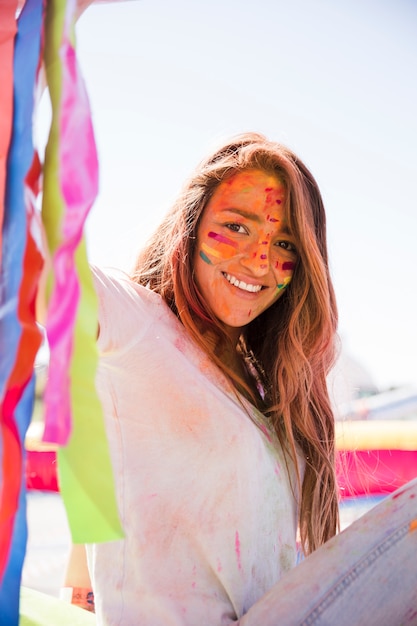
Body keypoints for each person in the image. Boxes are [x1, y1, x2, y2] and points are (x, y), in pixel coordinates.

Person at [63, 132, 417, 625]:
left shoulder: (260, 384)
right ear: (192, 223)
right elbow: (37, 267)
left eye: (285, 243)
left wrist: (79, 588)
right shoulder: (134, 321)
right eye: (237, 226)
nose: (259, 261)